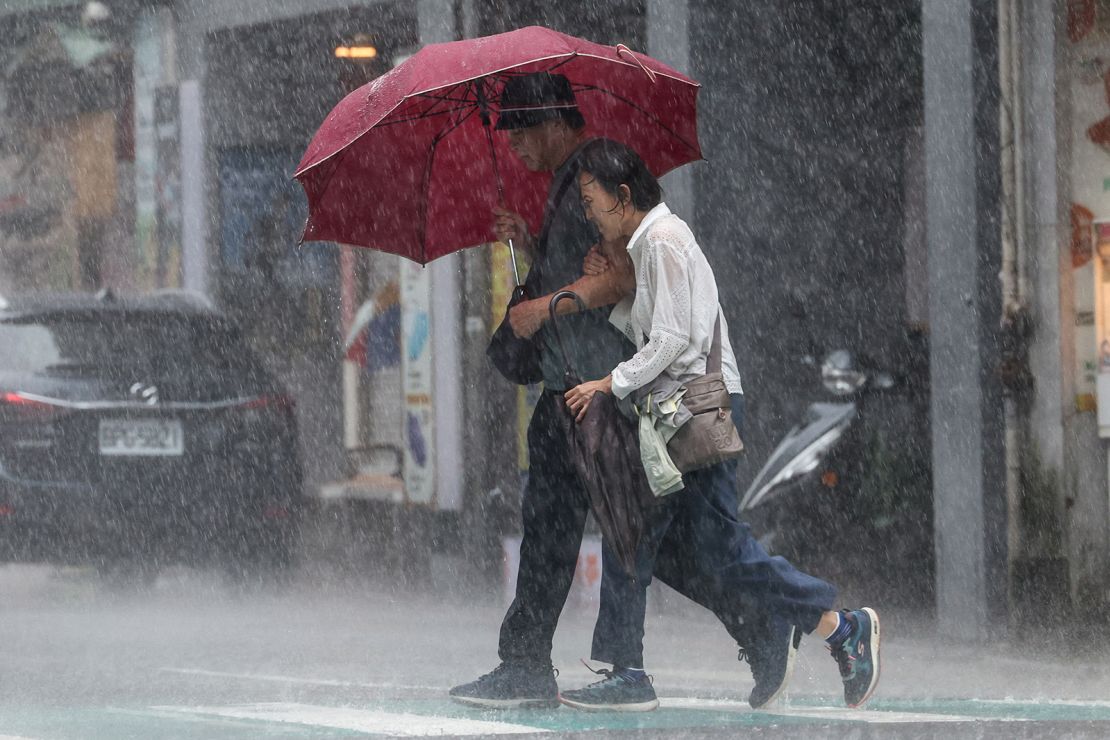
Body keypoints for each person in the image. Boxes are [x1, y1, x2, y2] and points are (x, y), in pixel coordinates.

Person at [449, 72, 796, 712]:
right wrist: (531, 244)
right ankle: (528, 660)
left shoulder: (595, 184)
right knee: (567, 531)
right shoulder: (568, 189)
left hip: (604, 392)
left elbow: (618, 280)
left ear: (555, 122)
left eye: (521, 132)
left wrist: (546, 308)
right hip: (574, 391)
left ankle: (754, 626)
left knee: (654, 543)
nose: (516, 148)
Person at [557, 138, 881, 711]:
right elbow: (662, 329)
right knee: (656, 539)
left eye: (591, 199)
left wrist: (611, 383)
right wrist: (616, 294)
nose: (587, 212)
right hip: (678, 407)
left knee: (703, 545)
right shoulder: (651, 245)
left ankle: (837, 625)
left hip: (694, 408)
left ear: (623, 195)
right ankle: (761, 637)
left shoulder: (662, 239)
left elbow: (675, 339)